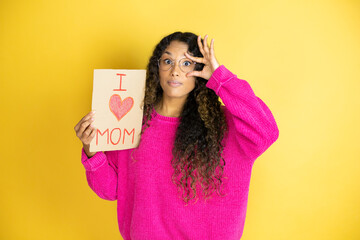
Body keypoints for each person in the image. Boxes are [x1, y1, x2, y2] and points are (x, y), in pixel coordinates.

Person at [74, 32, 279, 240]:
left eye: (187, 63)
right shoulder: (131, 121)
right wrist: (92, 150)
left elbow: (267, 132)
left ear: (201, 71)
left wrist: (220, 77)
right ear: (157, 68)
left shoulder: (226, 125)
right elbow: (110, 190)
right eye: (168, 61)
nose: (175, 71)